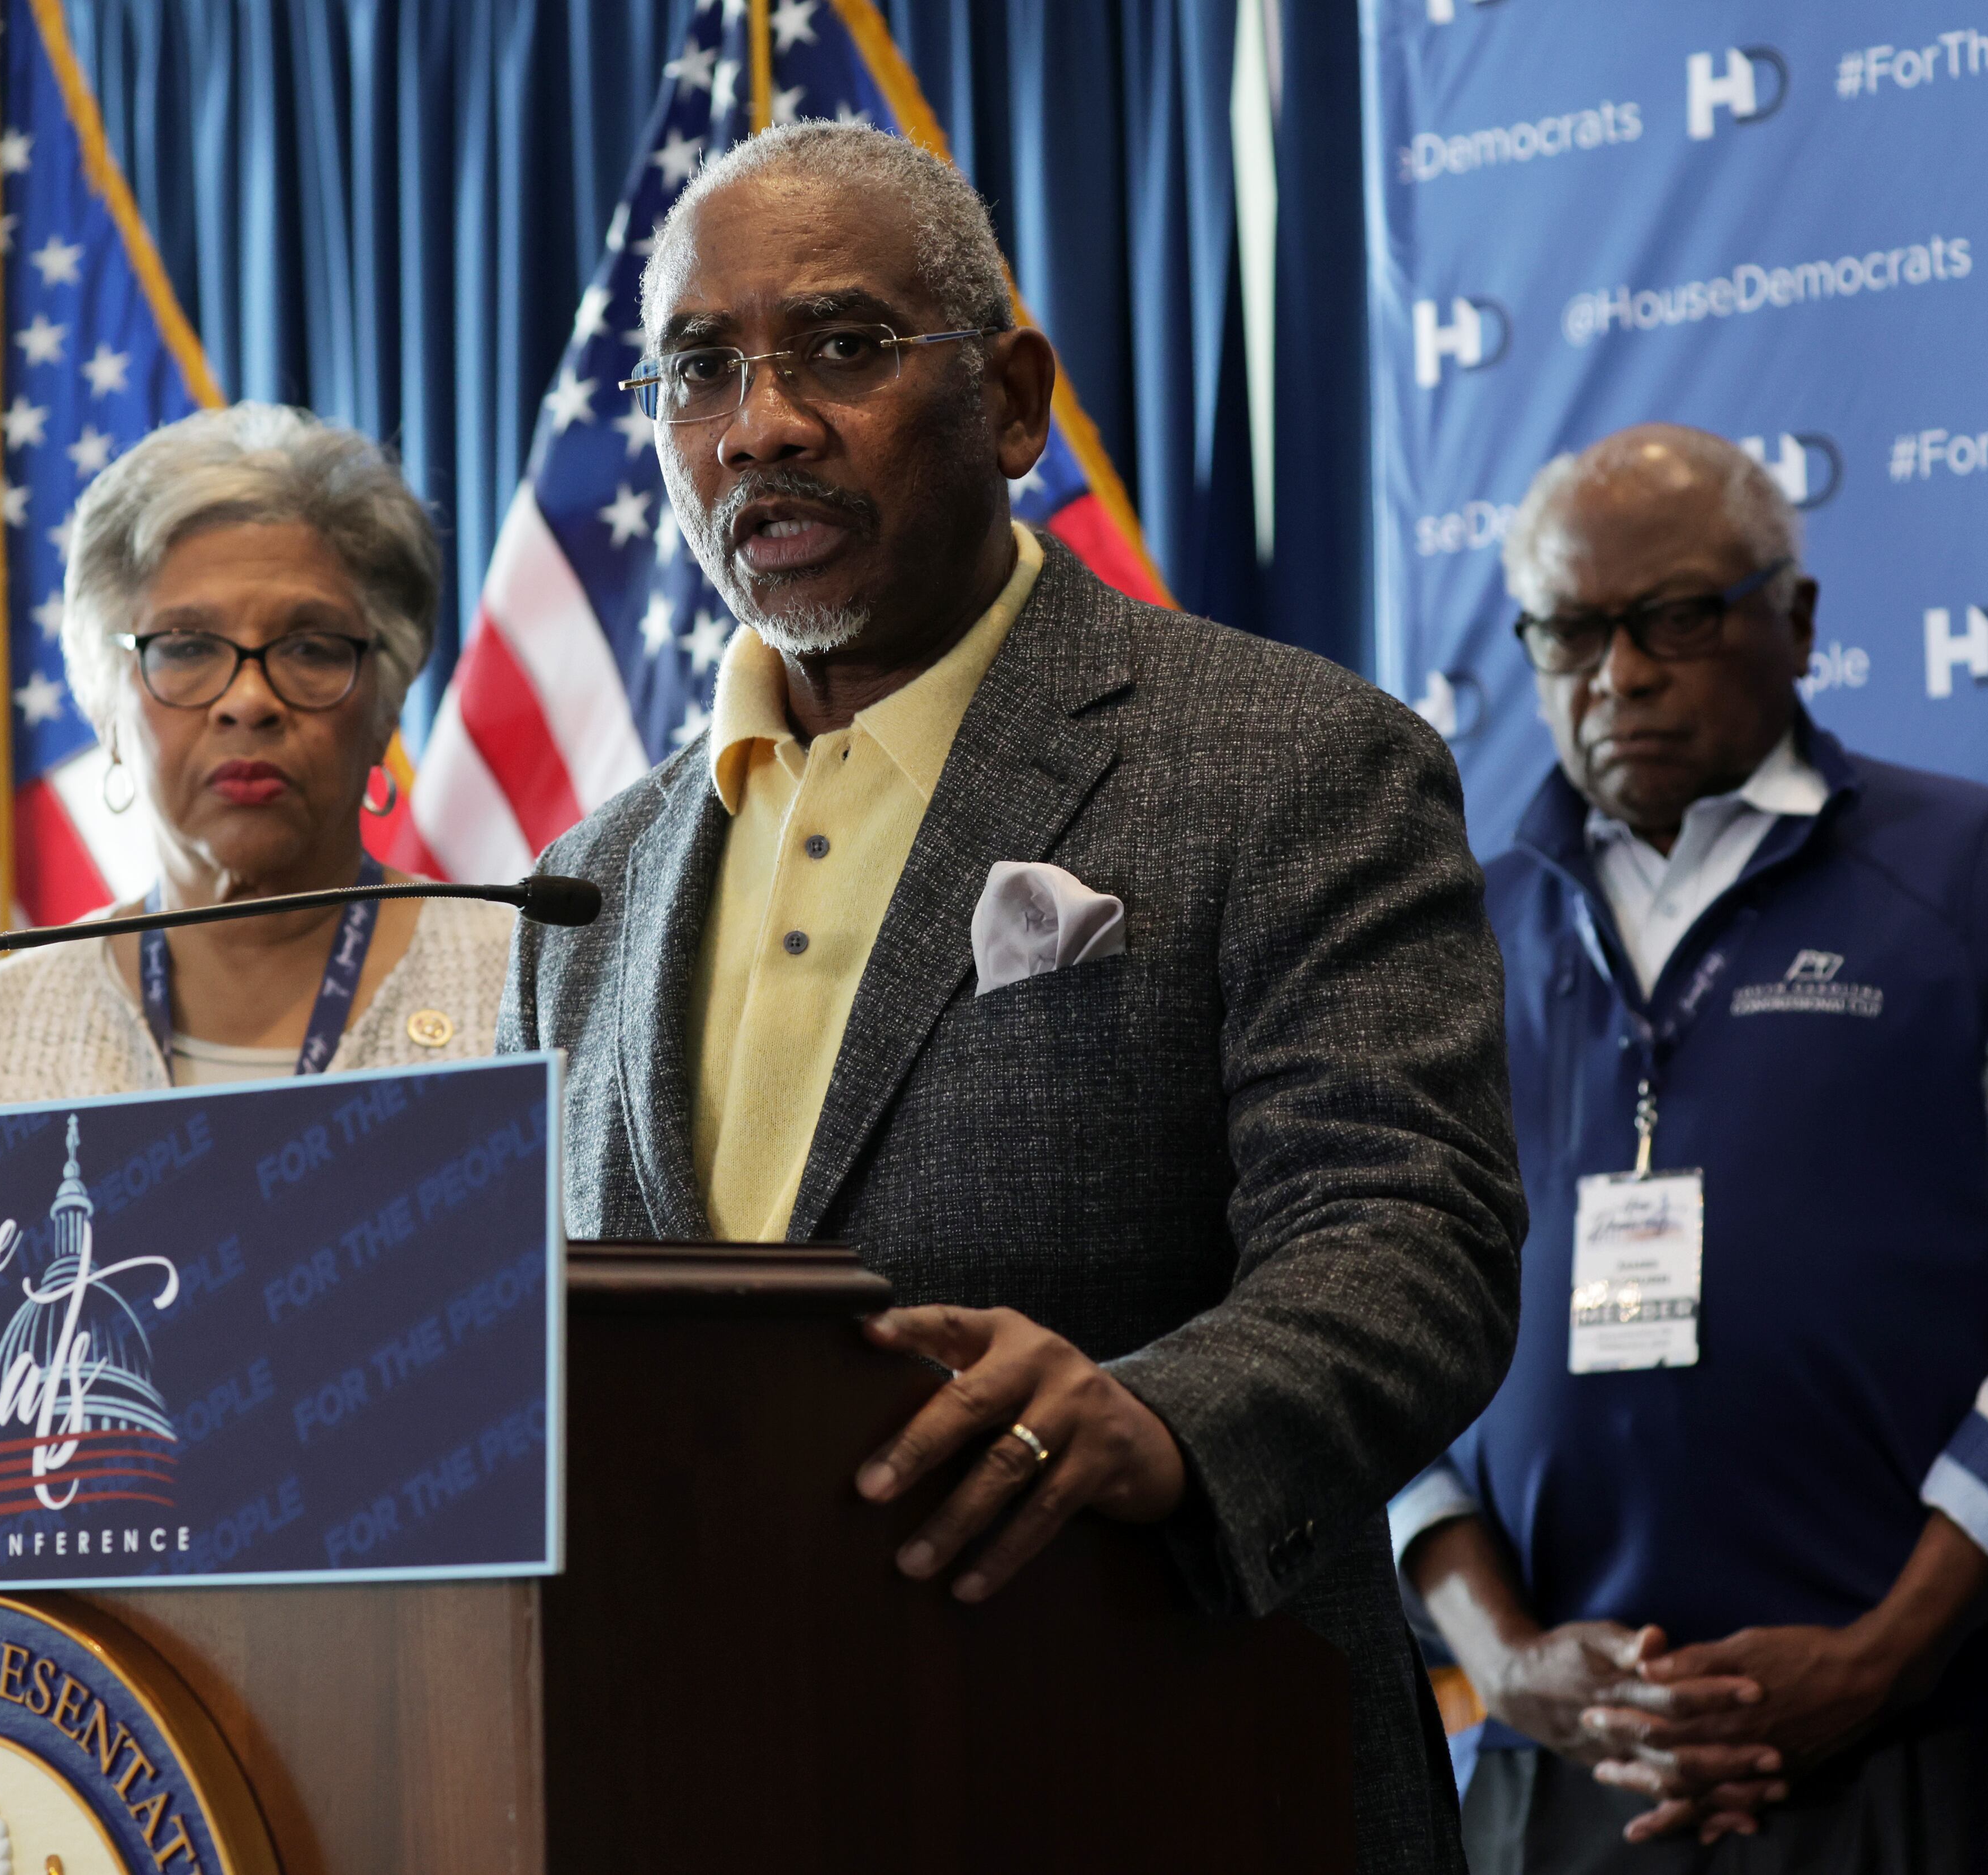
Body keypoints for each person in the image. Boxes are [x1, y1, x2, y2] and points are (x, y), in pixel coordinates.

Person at [501, 121, 1526, 1869]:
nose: (759, 425)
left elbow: (1404, 1234)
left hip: (1165, 1758)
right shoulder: (583, 879)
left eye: (840, 347)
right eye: (697, 373)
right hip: (700, 1779)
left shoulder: (1285, 759)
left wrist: (1163, 1411)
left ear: (1012, 400)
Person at [1397, 424, 1988, 1870]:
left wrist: (1880, 1656)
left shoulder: (1977, 871)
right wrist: (1499, 1659)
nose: (1617, 674)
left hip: (1925, 1741)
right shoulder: (1461, 930)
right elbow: (1376, 1340)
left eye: (1674, 618)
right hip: (1560, 1757)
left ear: (1795, 620)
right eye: (1566, 633)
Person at [0, 404, 513, 1110]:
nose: (249, 700)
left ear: (386, 703)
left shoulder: (526, 995)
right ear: (107, 712)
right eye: (187, 648)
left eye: (309, 648)